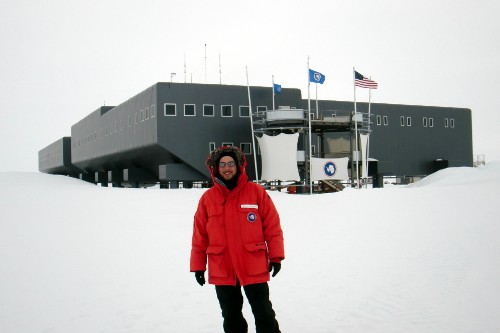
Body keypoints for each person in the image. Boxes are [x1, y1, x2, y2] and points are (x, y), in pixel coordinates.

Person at [190, 145, 284, 333]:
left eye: (231, 163)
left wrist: (276, 256)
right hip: (222, 266)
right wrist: (198, 266)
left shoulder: (256, 192)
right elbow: (200, 235)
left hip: (253, 263)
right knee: (231, 316)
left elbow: (272, 227)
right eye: (222, 164)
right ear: (216, 168)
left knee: (263, 312)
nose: (227, 168)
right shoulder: (208, 198)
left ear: (239, 166)